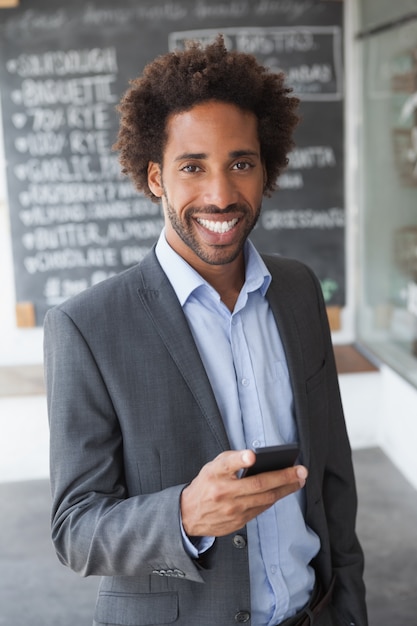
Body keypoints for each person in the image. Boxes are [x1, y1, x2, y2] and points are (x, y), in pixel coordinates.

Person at [44, 35, 368, 626]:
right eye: (192, 167)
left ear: (265, 168)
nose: (221, 194)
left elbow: (332, 477)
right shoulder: (86, 326)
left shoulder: (297, 291)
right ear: (155, 177)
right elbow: (75, 530)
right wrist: (186, 515)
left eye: (240, 163)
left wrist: (348, 607)